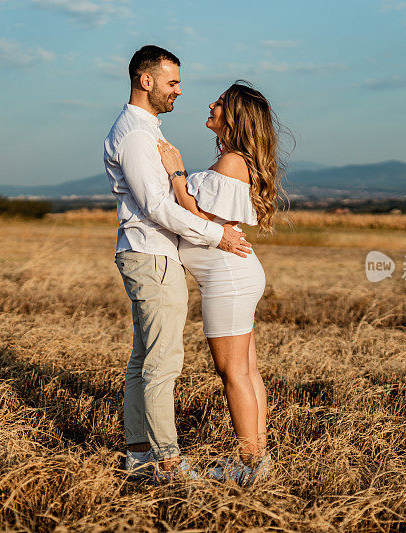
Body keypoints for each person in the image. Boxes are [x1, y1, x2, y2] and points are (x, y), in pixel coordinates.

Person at [104, 45, 253, 484]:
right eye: (172, 82)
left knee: (144, 360)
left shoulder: (146, 131)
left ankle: (139, 455)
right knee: (161, 362)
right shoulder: (135, 134)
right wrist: (216, 235)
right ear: (145, 81)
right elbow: (155, 206)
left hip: (151, 253)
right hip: (151, 253)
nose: (180, 91)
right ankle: (167, 461)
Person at [156, 80, 287, 486]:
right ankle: (258, 459)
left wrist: (176, 173)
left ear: (236, 116)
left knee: (233, 373)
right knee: (245, 370)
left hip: (228, 279)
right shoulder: (234, 159)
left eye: (221, 102)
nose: (210, 104)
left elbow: (200, 217)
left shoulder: (232, 162)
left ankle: (250, 464)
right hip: (235, 275)